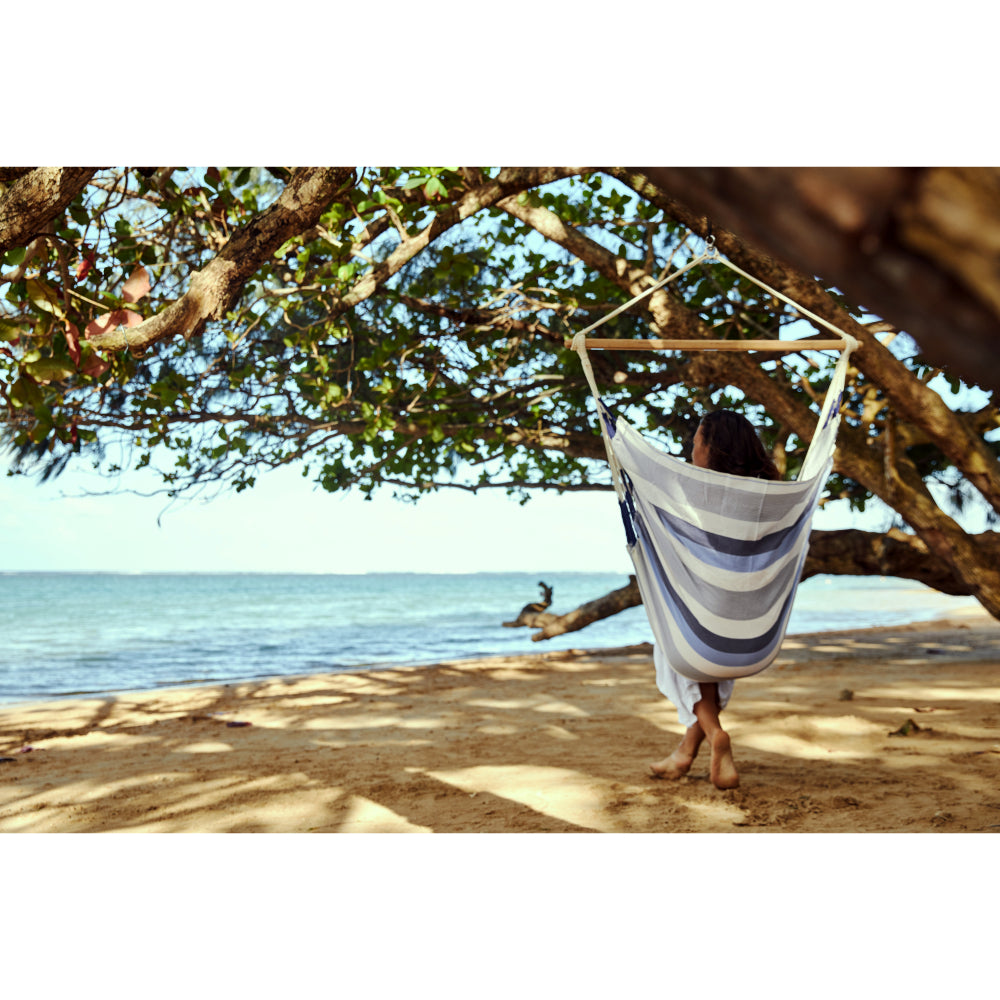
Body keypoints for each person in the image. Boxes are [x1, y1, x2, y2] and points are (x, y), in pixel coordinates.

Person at [648, 410, 781, 790]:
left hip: (705, 614)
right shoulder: (767, 496)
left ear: (712, 448)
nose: (691, 454)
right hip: (747, 623)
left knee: (676, 648)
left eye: (695, 445)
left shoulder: (698, 495)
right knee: (701, 662)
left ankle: (714, 733)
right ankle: (684, 756)